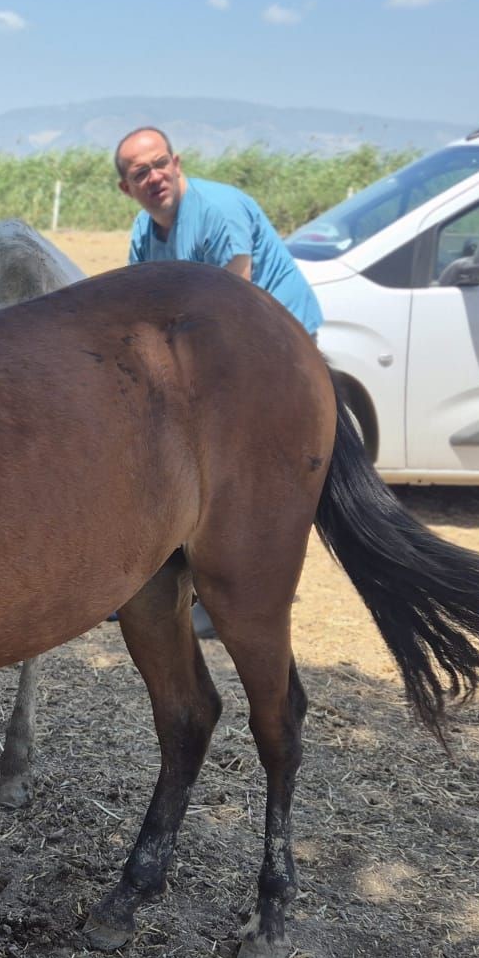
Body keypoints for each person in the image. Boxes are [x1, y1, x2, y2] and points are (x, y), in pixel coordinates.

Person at [114, 126, 325, 637]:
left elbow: (236, 302)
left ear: (177, 162)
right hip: (216, 352)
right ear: (126, 188)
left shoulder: (219, 210)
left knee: (251, 478)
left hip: (274, 346)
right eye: (139, 173)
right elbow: (140, 310)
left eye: (160, 163)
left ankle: (242, 591)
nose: (154, 177)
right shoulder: (145, 235)